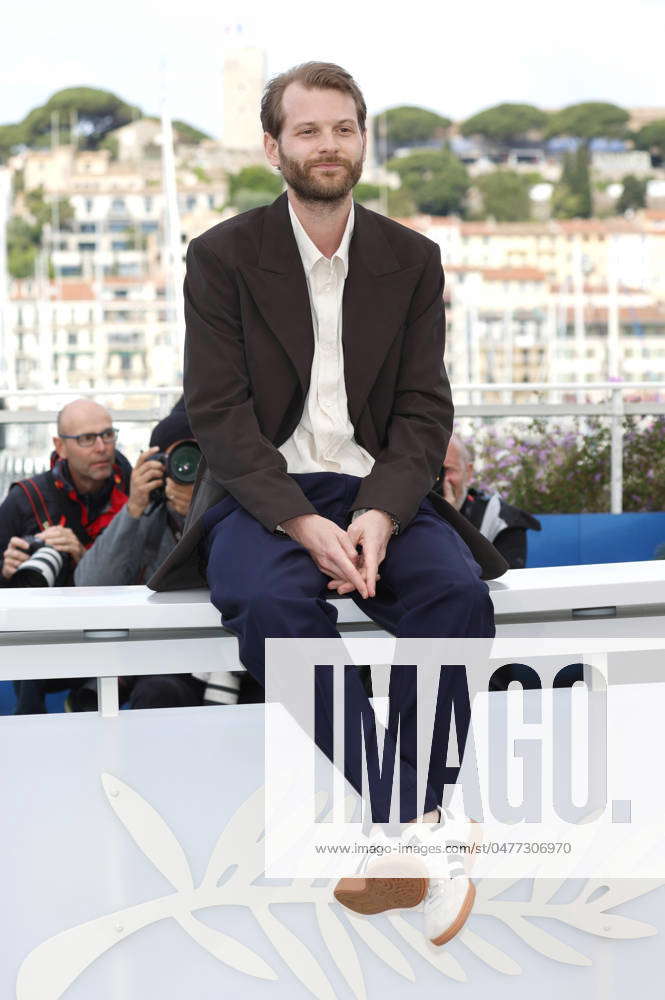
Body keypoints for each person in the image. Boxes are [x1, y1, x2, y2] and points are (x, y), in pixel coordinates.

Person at [147, 61, 508, 946]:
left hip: (378, 491)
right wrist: (299, 522)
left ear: (362, 139)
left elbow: (425, 409)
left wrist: (382, 513)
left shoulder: (411, 259)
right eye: (306, 131)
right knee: (271, 604)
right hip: (263, 495)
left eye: (342, 128)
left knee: (458, 597)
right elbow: (220, 415)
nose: (327, 146)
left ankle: (402, 844)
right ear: (273, 146)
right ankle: (414, 825)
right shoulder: (222, 256)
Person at [74, 399, 239, 710]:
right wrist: (133, 508)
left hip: (231, 655)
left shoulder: (237, 511)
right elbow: (90, 583)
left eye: (195, 456)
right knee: (156, 693)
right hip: (169, 657)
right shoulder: (148, 517)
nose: (186, 468)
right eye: (175, 458)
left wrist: (205, 512)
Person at [1, 398, 131, 714]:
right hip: (48, 644)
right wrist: (6, 570)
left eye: (108, 434)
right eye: (87, 438)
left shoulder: (135, 491)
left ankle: (87, 701)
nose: (102, 447)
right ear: (60, 446)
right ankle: (30, 722)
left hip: (122, 634)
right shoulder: (26, 499)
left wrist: (83, 556)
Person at [436, 433, 541, 570]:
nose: (439, 479)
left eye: (447, 470)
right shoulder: (405, 514)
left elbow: (503, 586)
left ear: (468, 473)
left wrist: (446, 520)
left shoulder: (501, 520)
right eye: (433, 470)